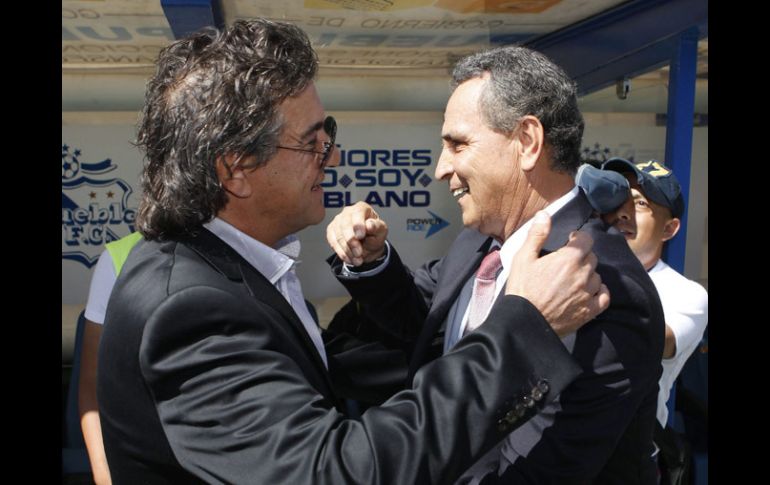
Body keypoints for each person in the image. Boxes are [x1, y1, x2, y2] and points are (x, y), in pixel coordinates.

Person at [96, 19, 610, 484]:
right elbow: (330, 471)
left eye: (330, 134)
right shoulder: (190, 308)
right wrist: (525, 332)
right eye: (313, 141)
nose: (333, 156)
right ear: (235, 168)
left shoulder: (221, 270)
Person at [326, 45, 665, 484]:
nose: (440, 168)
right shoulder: (479, 241)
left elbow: (533, 470)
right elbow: (424, 323)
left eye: (457, 144)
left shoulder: (602, 287)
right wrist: (373, 261)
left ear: (527, 142)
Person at [596, 158, 709, 482]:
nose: (623, 211)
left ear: (669, 228)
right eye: (618, 199)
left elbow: (651, 340)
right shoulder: (575, 266)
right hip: (555, 448)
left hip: (623, 461)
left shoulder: (687, 294)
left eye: (640, 203)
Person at [78, 232, 141, 485]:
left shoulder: (262, 250)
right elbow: (92, 382)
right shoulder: (120, 256)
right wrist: (104, 473)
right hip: (139, 459)